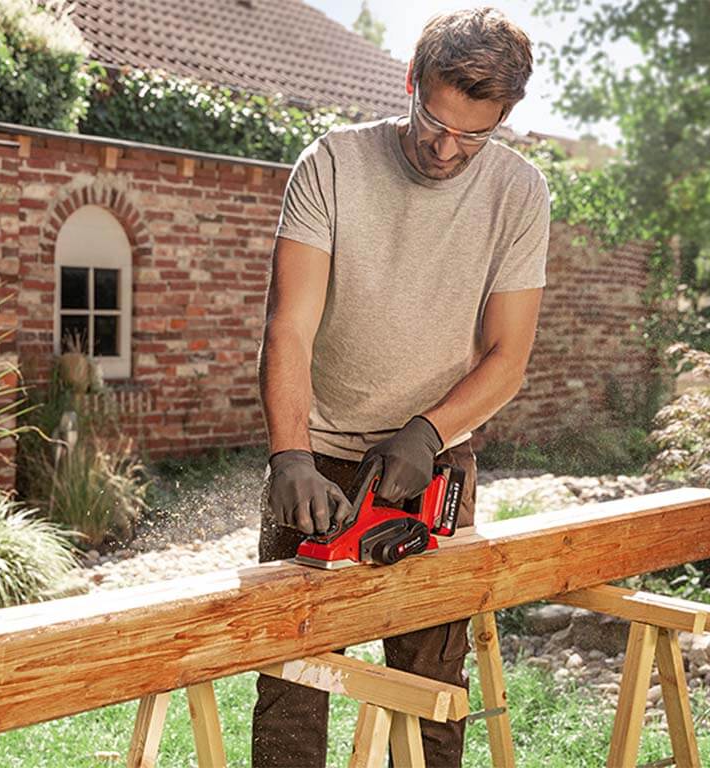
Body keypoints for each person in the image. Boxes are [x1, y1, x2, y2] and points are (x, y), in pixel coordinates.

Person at [252, 7, 550, 767]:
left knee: (429, 696)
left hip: (431, 469)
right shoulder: (331, 164)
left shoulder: (519, 193)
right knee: (292, 685)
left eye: (474, 136)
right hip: (316, 459)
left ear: (504, 118)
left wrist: (428, 432)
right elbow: (289, 326)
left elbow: (507, 359)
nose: (448, 150)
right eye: (435, 122)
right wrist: (291, 456)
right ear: (411, 82)